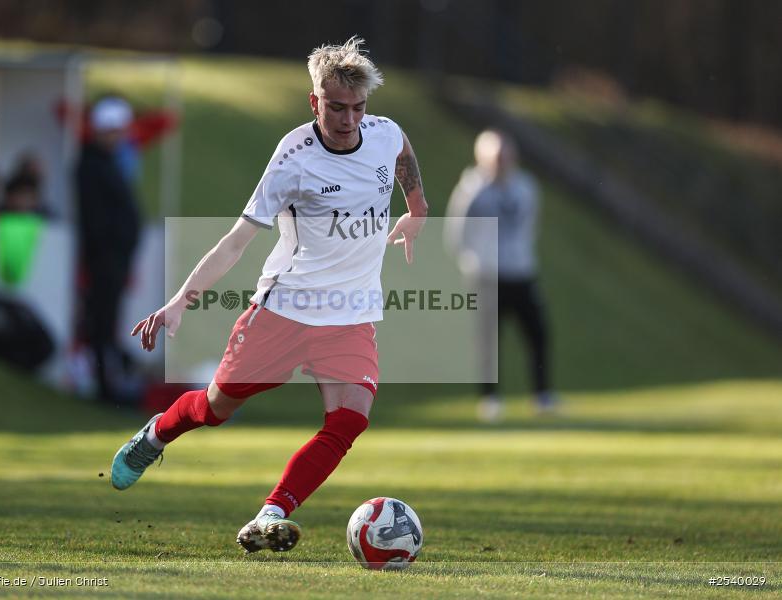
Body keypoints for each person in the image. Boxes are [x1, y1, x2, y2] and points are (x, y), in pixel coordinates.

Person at [109, 37, 428, 554]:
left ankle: (271, 513)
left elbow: (403, 153)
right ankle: (155, 436)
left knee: (349, 419)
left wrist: (417, 209)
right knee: (215, 407)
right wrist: (180, 300)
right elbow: (236, 241)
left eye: (358, 107)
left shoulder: (384, 133)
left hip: (350, 315)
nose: (349, 119)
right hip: (284, 310)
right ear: (314, 102)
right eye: (336, 107)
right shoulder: (293, 158)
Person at [445, 130, 556, 421]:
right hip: (487, 277)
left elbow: (530, 226)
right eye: (496, 156)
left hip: (521, 272)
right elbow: (457, 233)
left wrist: (520, 256)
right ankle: (490, 399)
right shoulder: (472, 190)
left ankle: (542, 395)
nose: (502, 161)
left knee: (537, 333)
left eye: (506, 155)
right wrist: (475, 263)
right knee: (488, 341)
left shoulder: (525, 187)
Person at [75, 97, 142, 402]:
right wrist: (110, 249)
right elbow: (96, 218)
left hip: (114, 258)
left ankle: (109, 383)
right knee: (101, 322)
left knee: (108, 321)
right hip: (105, 259)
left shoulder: (106, 163)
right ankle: (104, 388)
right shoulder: (91, 165)